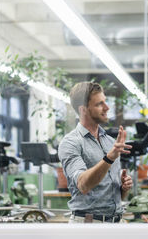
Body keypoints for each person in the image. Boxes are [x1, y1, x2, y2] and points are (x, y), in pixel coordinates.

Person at [58, 82, 133, 223]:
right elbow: (83, 185)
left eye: (105, 102)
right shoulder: (70, 143)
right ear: (83, 110)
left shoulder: (110, 142)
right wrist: (110, 158)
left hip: (116, 223)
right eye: (99, 104)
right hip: (88, 226)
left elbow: (111, 197)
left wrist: (123, 188)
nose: (107, 107)